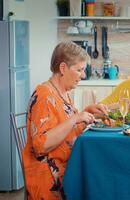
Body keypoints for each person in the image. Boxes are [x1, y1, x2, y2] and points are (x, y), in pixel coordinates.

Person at [23, 41, 108, 199]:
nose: (83, 75)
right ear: (63, 68)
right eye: (79, 70)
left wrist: (88, 113)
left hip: (69, 165)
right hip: (50, 177)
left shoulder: (62, 93)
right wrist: (76, 117)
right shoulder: (43, 96)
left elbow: (67, 129)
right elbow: (41, 145)